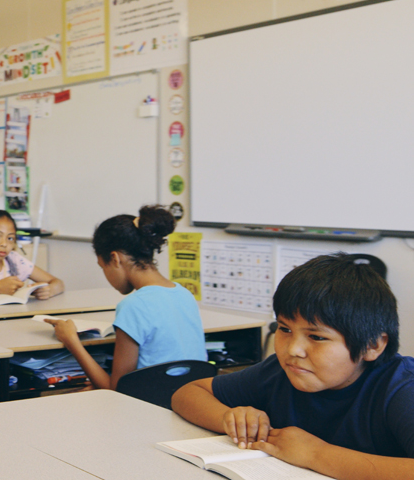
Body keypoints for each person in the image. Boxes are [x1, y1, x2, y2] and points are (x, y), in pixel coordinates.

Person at [172, 253, 414, 479]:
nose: (293, 350)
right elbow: (188, 393)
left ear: (373, 345)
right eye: (284, 329)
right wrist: (231, 419)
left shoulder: (401, 388)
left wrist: (316, 454)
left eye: (317, 337)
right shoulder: (280, 371)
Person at [43, 205, 206, 390]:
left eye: (102, 266)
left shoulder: (133, 306)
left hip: (151, 406)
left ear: (115, 259)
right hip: (190, 400)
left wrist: (71, 341)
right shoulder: (184, 294)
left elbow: (116, 390)